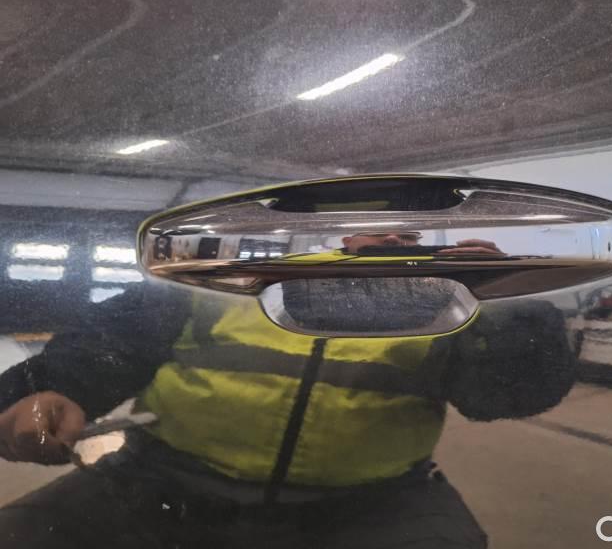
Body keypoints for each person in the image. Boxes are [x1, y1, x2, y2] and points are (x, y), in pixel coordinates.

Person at [0, 231, 575, 548]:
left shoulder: (446, 306)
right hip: (155, 489)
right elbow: (94, 353)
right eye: (364, 216)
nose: (383, 233)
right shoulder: (219, 285)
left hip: (371, 510)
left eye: (405, 222)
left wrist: (502, 304)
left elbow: (514, 393)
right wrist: (37, 398)